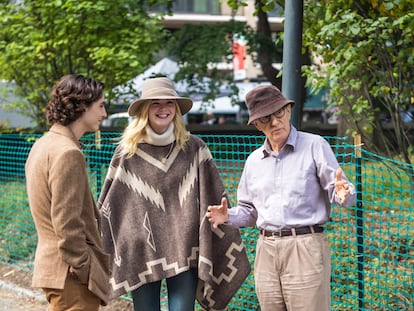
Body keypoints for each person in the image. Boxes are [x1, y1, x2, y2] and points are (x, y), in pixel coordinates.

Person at [97, 77, 250, 311]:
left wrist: (221, 218)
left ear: (176, 109)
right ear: (144, 109)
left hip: (185, 248)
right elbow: (112, 205)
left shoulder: (194, 149)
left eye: (169, 103)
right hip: (142, 252)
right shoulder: (127, 153)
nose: (163, 109)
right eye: (155, 103)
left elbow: (213, 195)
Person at [206, 85, 356, 311]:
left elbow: (339, 191)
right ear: (257, 125)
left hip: (304, 246)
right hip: (266, 249)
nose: (275, 122)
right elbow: (249, 212)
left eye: (278, 113)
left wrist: (345, 193)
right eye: (266, 119)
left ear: (288, 111)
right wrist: (228, 216)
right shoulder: (254, 161)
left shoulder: (315, 145)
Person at [25, 74, 111, 310]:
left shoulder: (43, 144)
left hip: (56, 269)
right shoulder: (68, 153)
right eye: (101, 105)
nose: (104, 114)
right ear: (82, 105)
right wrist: (83, 266)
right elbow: (66, 220)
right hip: (70, 275)